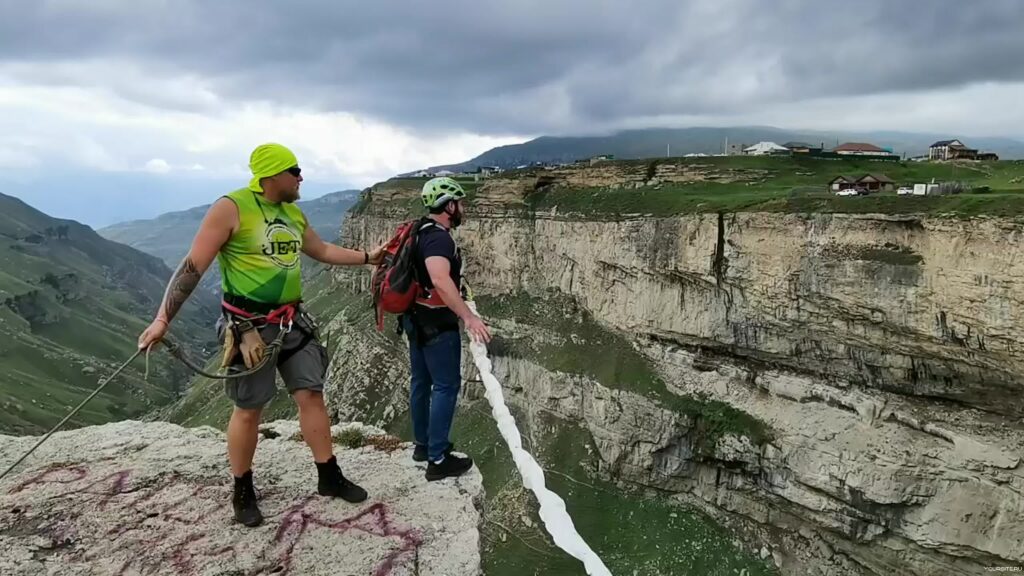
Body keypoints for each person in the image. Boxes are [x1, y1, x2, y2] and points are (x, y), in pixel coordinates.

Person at [137, 143, 386, 527]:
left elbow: (319, 250)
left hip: (292, 320)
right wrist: (162, 320)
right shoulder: (232, 208)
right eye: (295, 170)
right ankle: (242, 488)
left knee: (311, 395)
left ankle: (328, 475)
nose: (301, 177)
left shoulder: (293, 213)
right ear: (271, 175)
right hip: (248, 326)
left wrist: (368, 258)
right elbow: (192, 267)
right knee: (250, 409)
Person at [401, 176, 492, 481]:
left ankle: (422, 446)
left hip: (415, 319)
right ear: (449, 205)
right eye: (460, 203)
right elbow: (440, 279)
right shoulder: (440, 238)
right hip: (437, 323)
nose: (462, 208)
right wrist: (469, 317)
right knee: (445, 386)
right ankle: (438, 460)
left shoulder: (418, 231)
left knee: (420, 382)